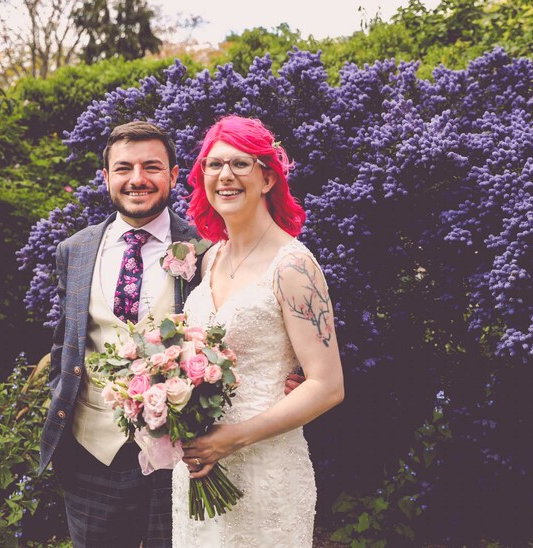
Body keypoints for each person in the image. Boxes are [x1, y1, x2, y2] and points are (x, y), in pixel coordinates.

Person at [171, 115, 345, 547]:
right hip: (197, 472)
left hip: (266, 468)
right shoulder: (211, 259)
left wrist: (233, 439)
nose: (225, 175)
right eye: (213, 165)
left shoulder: (293, 266)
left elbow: (326, 385)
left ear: (267, 177)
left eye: (240, 164)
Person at [39, 121, 199, 547]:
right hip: (90, 454)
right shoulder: (75, 250)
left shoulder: (206, 248)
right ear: (106, 177)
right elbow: (66, 340)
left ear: (174, 175)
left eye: (152, 166)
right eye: (124, 168)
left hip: (182, 455)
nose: (138, 179)